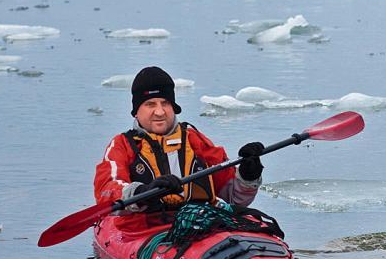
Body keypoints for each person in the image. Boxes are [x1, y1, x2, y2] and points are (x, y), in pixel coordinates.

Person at [94, 66, 264, 224]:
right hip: (142, 229)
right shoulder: (122, 145)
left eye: (165, 103)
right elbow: (107, 190)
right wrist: (142, 192)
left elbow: (233, 197)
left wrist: (248, 175)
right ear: (136, 110)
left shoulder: (194, 140)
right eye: (150, 104)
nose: (160, 112)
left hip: (200, 223)